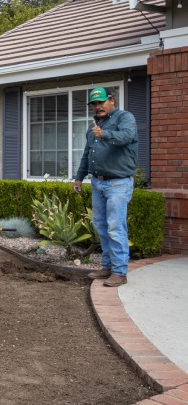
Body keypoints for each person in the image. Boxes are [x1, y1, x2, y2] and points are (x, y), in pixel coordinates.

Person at [73, 87, 138, 287]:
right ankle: (108, 267)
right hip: (98, 182)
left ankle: (120, 272)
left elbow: (126, 137)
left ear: (112, 100)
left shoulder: (124, 118)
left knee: (115, 228)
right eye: (94, 104)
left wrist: (104, 134)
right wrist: (79, 177)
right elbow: (87, 154)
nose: (97, 106)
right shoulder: (92, 128)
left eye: (101, 102)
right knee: (101, 227)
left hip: (118, 183)